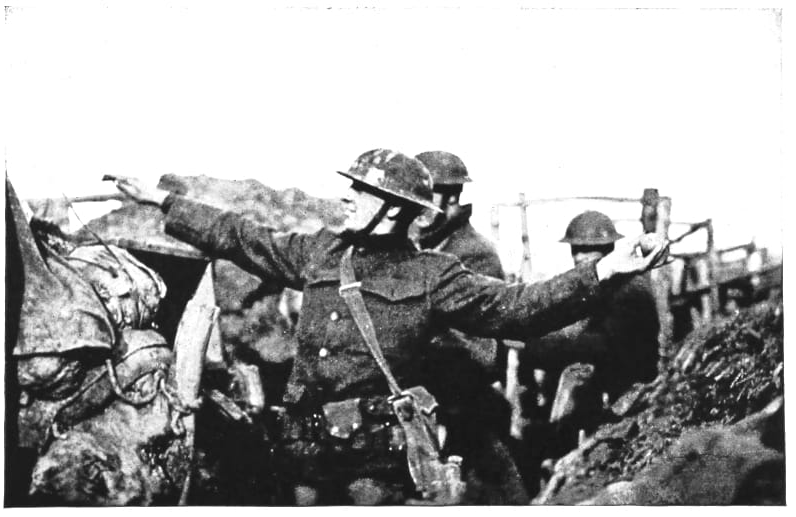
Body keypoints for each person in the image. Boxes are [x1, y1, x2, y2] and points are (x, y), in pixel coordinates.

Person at [110, 150, 666, 505]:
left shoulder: (434, 273)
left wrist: (606, 269)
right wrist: (163, 201)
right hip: (304, 448)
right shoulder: (322, 251)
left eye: (361, 192)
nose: (348, 198)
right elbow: (241, 235)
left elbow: (518, 308)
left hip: (375, 461)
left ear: (393, 208)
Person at [414, 150, 524, 504]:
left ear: (449, 198)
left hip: (458, 394)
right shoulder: (432, 245)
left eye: (424, 196)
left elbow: (475, 349)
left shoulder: (471, 253)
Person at [521, 210, 660, 456]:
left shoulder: (629, 289)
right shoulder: (604, 285)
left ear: (609, 249)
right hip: (610, 392)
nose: (579, 257)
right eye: (576, 249)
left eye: (588, 249)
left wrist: (538, 348)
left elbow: (601, 346)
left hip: (631, 395)